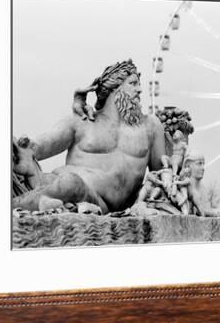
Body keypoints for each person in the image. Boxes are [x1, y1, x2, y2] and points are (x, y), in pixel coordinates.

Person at [13, 59, 167, 214]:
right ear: (114, 88)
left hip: (102, 204)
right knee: (68, 182)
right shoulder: (81, 122)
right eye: (133, 83)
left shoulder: (151, 126)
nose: (140, 89)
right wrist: (23, 150)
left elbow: (162, 174)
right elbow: (38, 147)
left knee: (70, 183)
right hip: (63, 187)